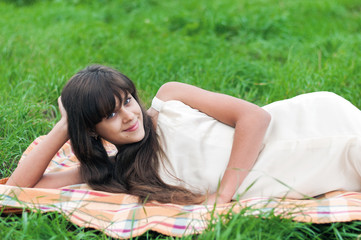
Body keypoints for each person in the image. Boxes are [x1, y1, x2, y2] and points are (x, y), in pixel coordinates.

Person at [6, 65, 361, 205]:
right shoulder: (115, 171)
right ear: (92, 131)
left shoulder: (170, 99)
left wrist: (224, 196)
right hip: (318, 166)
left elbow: (254, 118)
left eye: (127, 101)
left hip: (316, 124)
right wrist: (64, 125)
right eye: (110, 115)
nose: (129, 116)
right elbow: (15, 190)